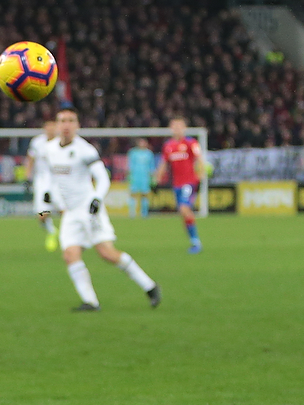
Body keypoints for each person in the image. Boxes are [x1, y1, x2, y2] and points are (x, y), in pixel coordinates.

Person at [46, 108, 160, 311]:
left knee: (107, 253)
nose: (66, 125)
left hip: (88, 208)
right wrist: (51, 198)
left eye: (71, 120)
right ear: (56, 125)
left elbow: (102, 178)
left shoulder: (85, 150)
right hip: (70, 212)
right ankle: (90, 302)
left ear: (77, 125)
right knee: (70, 255)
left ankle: (149, 286)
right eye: (62, 120)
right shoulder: (50, 149)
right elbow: (54, 178)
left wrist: (96, 199)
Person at [155, 117, 205, 253]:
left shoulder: (191, 143)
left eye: (179, 126)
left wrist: (201, 174)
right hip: (176, 184)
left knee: (184, 208)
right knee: (184, 213)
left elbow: (199, 159)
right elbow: (164, 163)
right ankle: (193, 240)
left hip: (189, 182)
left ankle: (196, 242)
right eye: (174, 126)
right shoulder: (168, 146)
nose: (177, 129)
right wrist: (158, 177)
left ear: (184, 128)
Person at [26, 119, 61, 251]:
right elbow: (30, 160)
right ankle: (52, 231)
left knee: (65, 210)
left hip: (58, 181)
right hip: (41, 181)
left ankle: (70, 235)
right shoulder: (37, 142)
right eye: (48, 126)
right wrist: (27, 177)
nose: (50, 129)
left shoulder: (61, 142)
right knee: (42, 215)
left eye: (53, 126)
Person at [126, 138, 155, 218]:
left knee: (144, 194)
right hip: (135, 176)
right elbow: (130, 165)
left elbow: (151, 166)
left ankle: (144, 213)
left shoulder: (149, 154)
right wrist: (129, 175)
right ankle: (132, 213)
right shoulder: (133, 153)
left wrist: (152, 176)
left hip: (145, 177)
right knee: (133, 194)